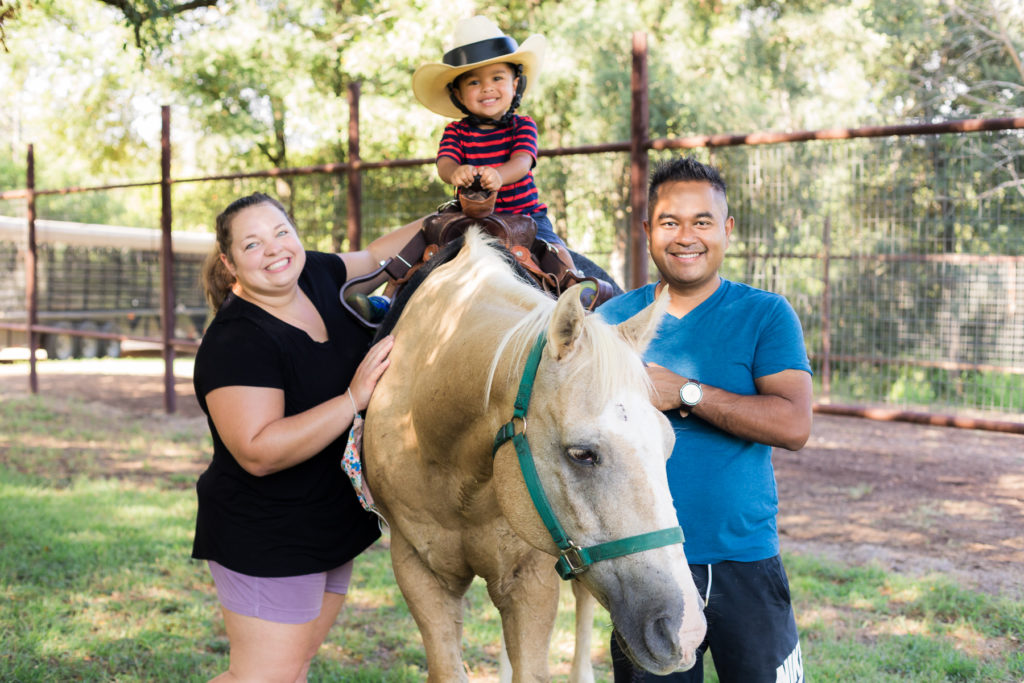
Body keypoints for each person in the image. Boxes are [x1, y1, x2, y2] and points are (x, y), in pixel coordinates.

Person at [598, 156, 813, 683]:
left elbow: (793, 425)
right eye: (670, 222)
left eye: (702, 221)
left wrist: (685, 392)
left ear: (726, 230)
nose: (685, 236)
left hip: (746, 560)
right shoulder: (608, 324)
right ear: (647, 230)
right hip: (645, 565)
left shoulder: (765, 314)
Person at [192, 192, 421, 682]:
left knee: (290, 669)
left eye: (281, 233)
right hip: (268, 536)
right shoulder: (237, 341)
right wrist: (352, 398)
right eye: (252, 244)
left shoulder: (315, 274)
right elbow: (257, 451)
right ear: (230, 264)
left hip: (327, 525)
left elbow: (379, 254)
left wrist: (454, 213)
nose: (273, 250)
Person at [411, 15, 567, 250]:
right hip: (470, 218)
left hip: (524, 216)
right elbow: (445, 163)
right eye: (474, 82)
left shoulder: (523, 126)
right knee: (424, 252)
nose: (487, 88)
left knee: (554, 252)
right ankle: (399, 282)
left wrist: (499, 176)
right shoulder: (456, 132)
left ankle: (572, 281)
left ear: (515, 85)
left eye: (497, 78)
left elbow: (522, 161)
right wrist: (455, 172)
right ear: (458, 93)